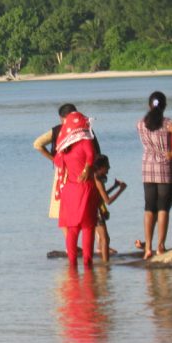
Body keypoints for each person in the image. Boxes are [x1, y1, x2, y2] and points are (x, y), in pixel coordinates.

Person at [136, 91, 172, 259]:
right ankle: (160, 246)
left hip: (147, 167)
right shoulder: (168, 123)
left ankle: (148, 247)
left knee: (149, 208)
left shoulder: (140, 124)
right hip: (164, 167)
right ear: (164, 106)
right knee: (163, 208)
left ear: (149, 105)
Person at [53, 112, 99, 267]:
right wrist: (86, 169)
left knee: (72, 229)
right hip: (85, 187)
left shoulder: (65, 146)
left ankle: (72, 263)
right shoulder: (84, 140)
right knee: (88, 227)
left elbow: (58, 163)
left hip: (70, 189)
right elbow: (91, 155)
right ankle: (87, 263)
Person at [34, 103, 78, 237]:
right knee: (85, 207)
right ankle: (99, 243)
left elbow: (37, 144)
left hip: (62, 173)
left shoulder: (57, 130)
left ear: (61, 117)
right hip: (79, 172)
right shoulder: (83, 128)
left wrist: (54, 159)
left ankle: (69, 243)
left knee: (62, 209)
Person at [91, 154, 126, 263]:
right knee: (105, 239)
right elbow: (108, 201)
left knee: (104, 238)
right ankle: (105, 265)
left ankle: (103, 264)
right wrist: (121, 190)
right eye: (107, 166)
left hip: (94, 210)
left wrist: (114, 187)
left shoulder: (94, 177)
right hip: (96, 212)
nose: (109, 168)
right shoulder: (97, 179)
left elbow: (101, 195)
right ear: (101, 167)